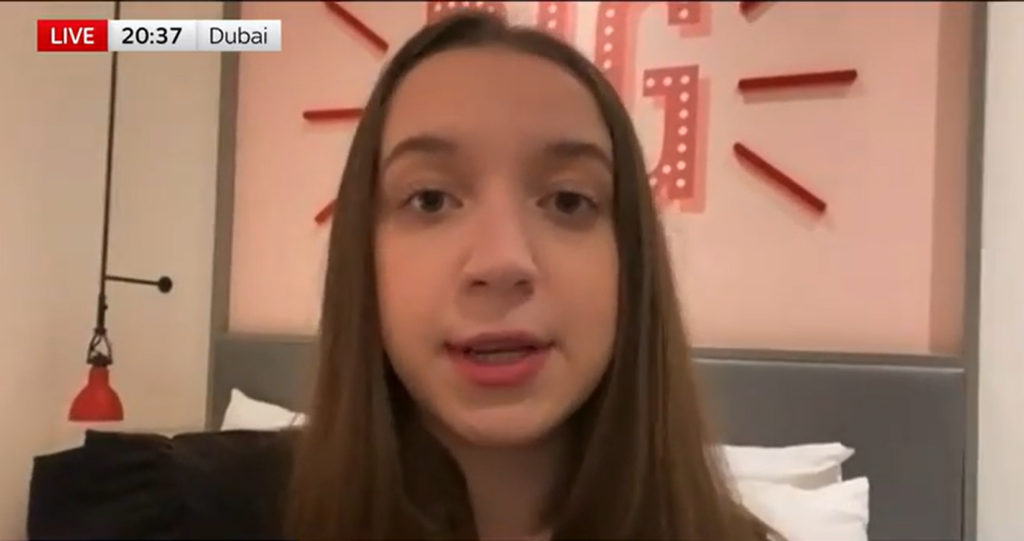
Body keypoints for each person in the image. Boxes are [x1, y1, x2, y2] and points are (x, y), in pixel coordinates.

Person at [27, 10, 770, 541]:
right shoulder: (198, 512)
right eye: (431, 199)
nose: (502, 262)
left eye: (569, 200)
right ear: (365, 258)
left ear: (630, 261)